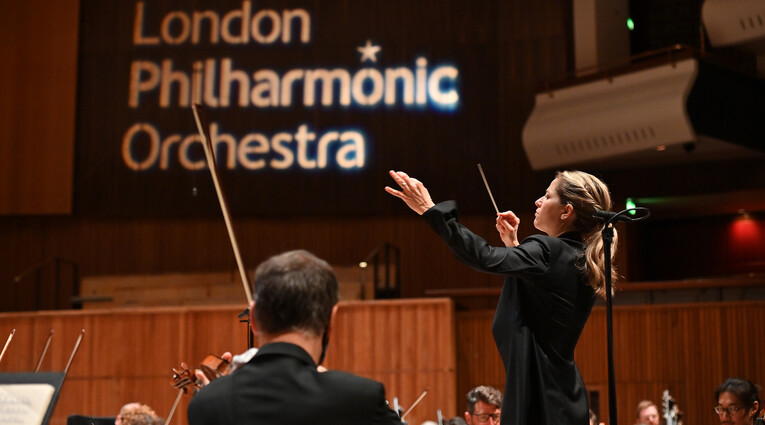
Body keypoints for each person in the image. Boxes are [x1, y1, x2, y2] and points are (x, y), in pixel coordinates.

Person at [386, 169, 618, 425]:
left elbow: (482, 256)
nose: (538, 201)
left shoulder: (548, 250)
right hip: (560, 396)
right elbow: (543, 299)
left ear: (566, 211)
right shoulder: (577, 258)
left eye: (547, 195)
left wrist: (429, 209)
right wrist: (514, 246)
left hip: (540, 402)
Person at [187, 249, 402, 425]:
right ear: (330, 320)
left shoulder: (206, 405)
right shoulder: (358, 398)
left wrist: (223, 392)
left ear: (253, 318)